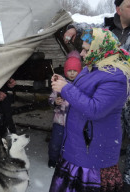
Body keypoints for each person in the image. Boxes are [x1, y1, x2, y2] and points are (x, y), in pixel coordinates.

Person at [49, 28, 130, 192]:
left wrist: (66, 89)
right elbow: (82, 93)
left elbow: (95, 109)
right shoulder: (91, 68)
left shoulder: (116, 76)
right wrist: (65, 83)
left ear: (101, 49)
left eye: (86, 49)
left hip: (93, 154)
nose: (82, 53)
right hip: (78, 147)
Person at [48, 50, 82, 168]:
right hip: (59, 121)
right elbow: (51, 98)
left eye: (75, 71)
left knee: (70, 143)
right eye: (69, 70)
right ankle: (53, 159)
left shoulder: (81, 85)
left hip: (74, 122)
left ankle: (67, 161)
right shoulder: (59, 84)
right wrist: (55, 102)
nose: (72, 73)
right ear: (65, 71)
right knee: (55, 143)